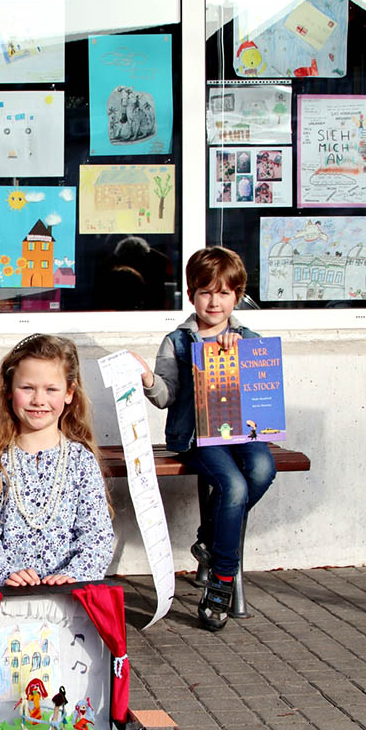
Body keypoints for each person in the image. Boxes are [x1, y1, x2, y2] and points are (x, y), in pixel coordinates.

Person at [133, 247, 275, 631]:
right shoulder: (176, 341)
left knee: (262, 469)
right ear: (192, 294)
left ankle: (209, 540)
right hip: (197, 436)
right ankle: (222, 578)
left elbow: (262, 391)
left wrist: (238, 356)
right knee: (231, 486)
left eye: (224, 293)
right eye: (205, 292)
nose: (215, 301)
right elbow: (167, 397)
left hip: (241, 433)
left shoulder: (249, 337)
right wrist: (148, 380)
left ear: (237, 295)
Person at [0, 334, 115, 587]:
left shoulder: (80, 462)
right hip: (11, 598)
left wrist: (75, 576)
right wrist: (4, 573)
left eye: (51, 389)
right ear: (9, 391)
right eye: (28, 388)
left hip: (68, 600)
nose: (38, 400)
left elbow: (96, 535)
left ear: (69, 393)